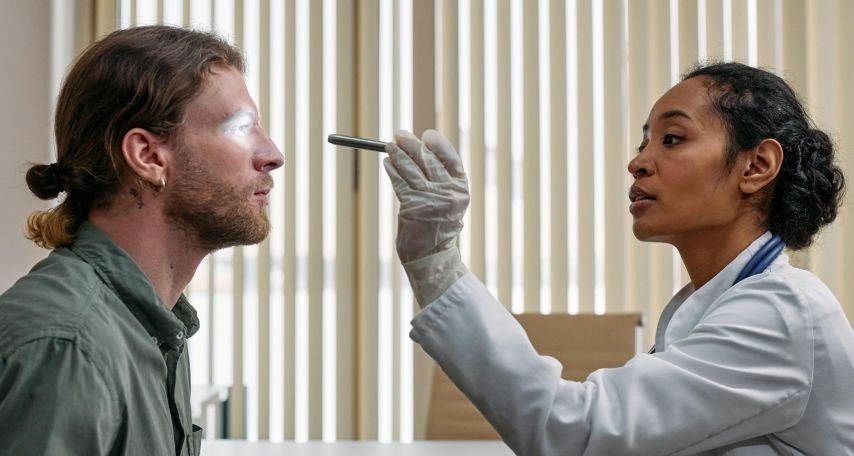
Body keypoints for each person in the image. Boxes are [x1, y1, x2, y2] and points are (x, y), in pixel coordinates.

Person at [383, 62, 854, 454]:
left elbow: (577, 433)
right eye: (643, 143)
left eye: (672, 139)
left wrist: (435, 260)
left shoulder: (780, 312)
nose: (638, 162)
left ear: (756, 166)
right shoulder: (723, 302)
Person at [0, 25, 283, 455]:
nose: (272, 154)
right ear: (149, 157)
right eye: (241, 128)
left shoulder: (156, 327)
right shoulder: (67, 345)